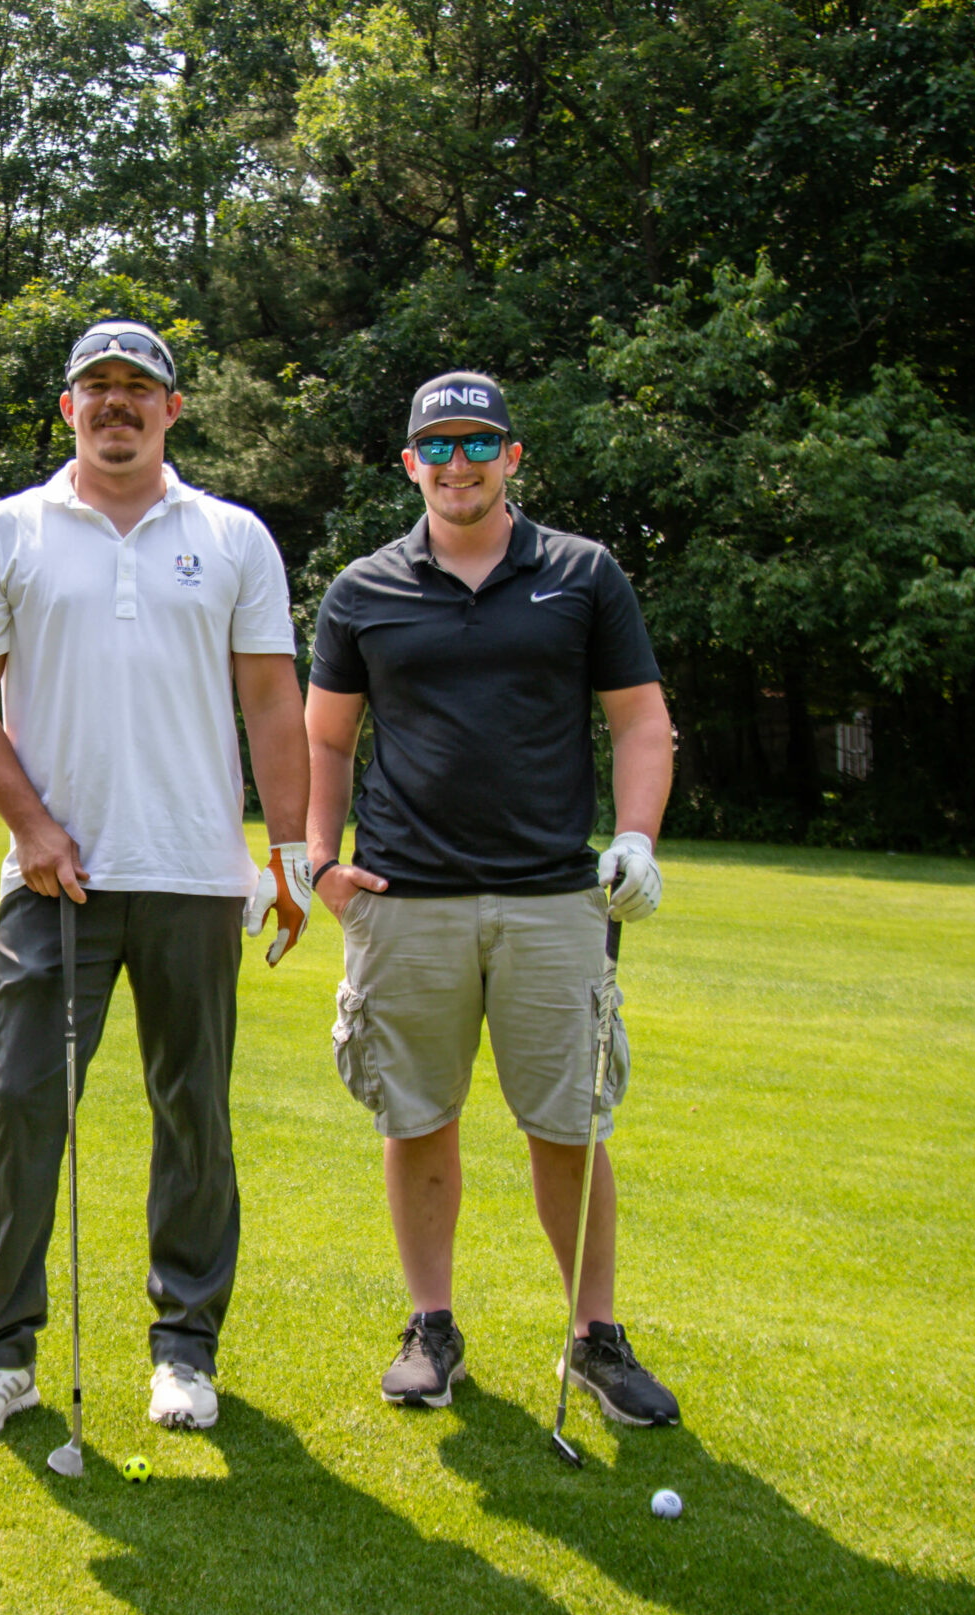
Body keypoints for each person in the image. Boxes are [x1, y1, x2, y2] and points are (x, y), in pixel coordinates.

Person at [0, 320, 313, 1439]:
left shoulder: (232, 536)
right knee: (22, 1105)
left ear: (172, 409)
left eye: (138, 387)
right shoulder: (8, 530)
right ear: (67, 407)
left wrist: (289, 854)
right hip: (56, 877)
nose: (116, 403)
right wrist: (33, 828)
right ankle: (1, 1358)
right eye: (95, 385)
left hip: (196, 871)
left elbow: (271, 700)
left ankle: (185, 1348)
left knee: (193, 1111)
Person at [303, 370, 679, 1424]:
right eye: (439, 446)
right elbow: (325, 738)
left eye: (479, 444)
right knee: (417, 1118)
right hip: (404, 899)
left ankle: (594, 1336)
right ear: (409, 463)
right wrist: (318, 861)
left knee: (568, 1125)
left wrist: (638, 838)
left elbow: (640, 722)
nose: (458, 464)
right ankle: (432, 1327)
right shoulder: (363, 589)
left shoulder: (582, 573)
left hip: (552, 899)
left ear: (512, 456)